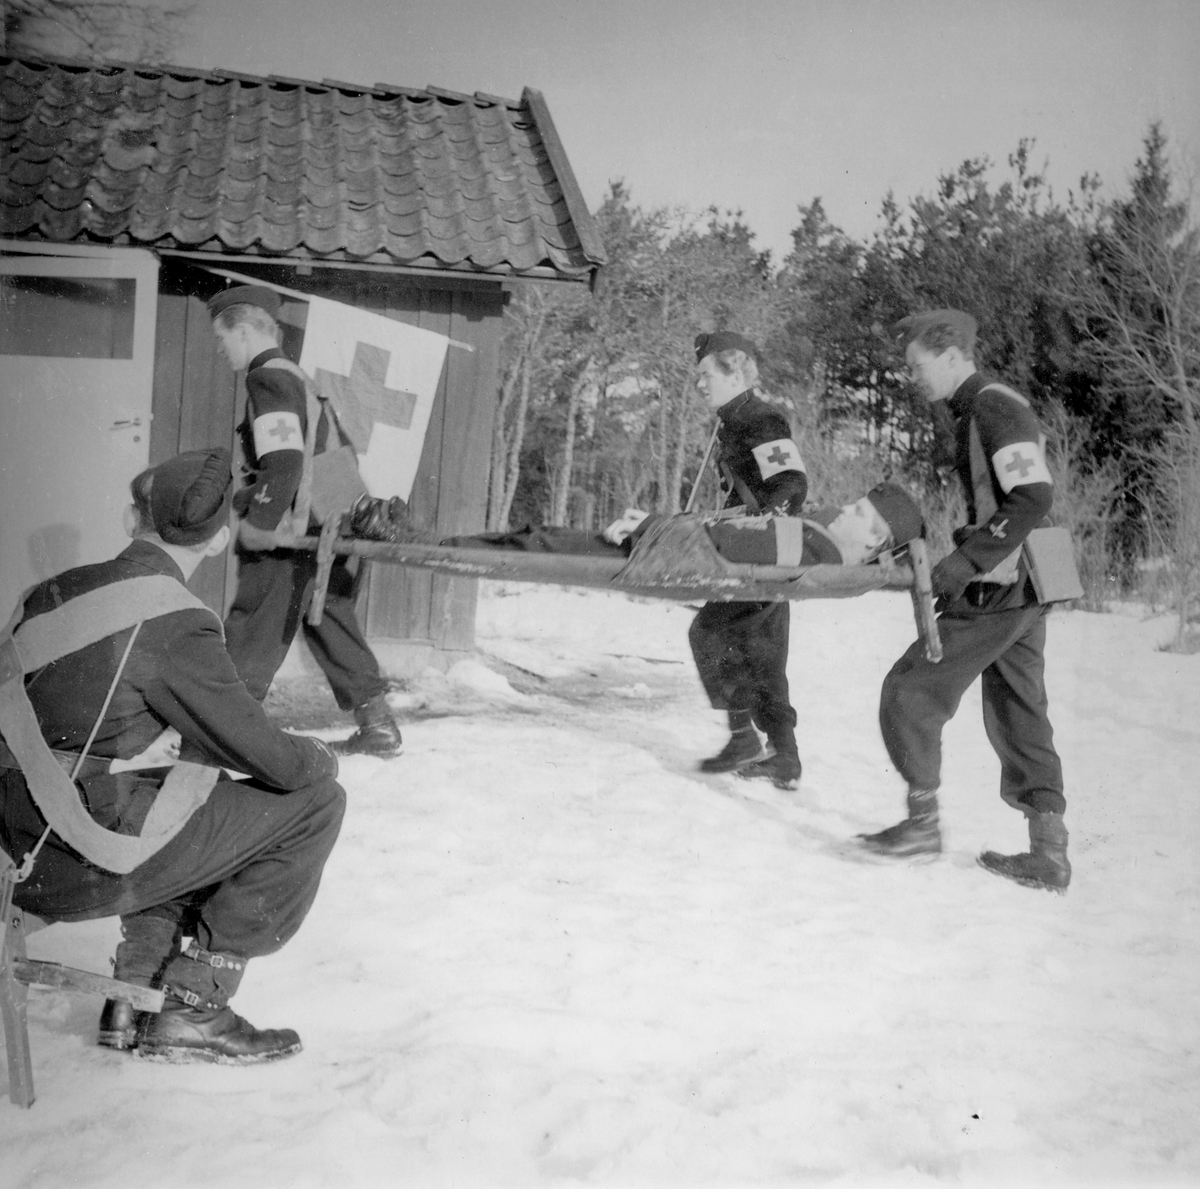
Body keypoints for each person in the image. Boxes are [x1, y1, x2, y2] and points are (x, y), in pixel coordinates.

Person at [0, 448, 345, 1062]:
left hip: (11, 844)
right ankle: (196, 1006)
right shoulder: (174, 619)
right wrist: (321, 755)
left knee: (178, 789)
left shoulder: (48, 592)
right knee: (316, 804)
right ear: (217, 543)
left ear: (132, 518)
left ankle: (133, 991)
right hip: (72, 861)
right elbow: (273, 760)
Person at [857, 309, 1071, 892]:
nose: (914, 377)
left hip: (998, 585)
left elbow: (1032, 495)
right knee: (1020, 711)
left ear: (951, 356)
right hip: (1027, 585)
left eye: (918, 365)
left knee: (909, 689)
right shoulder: (983, 407)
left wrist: (965, 563)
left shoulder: (992, 406)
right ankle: (1048, 854)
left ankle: (922, 824)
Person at [207, 285, 403, 757]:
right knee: (328, 615)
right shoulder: (298, 375)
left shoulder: (268, 379)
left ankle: (219, 738)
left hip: (290, 531)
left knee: (255, 622)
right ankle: (376, 723)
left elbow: (286, 460)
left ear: (246, 331)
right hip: (325, 522)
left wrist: (259, 521)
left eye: (223, 337)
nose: (221, 349)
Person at [688, 331, 808, 790]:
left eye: (706, 374)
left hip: (762, 555)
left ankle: (746, 740)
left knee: (713, 633)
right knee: (763, 653)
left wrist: (763, 540)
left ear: (734, 371)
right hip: (757, 552)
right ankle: (784, 757)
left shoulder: (760, 419)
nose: (699, 383)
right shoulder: (733, 421)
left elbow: (792, 485)